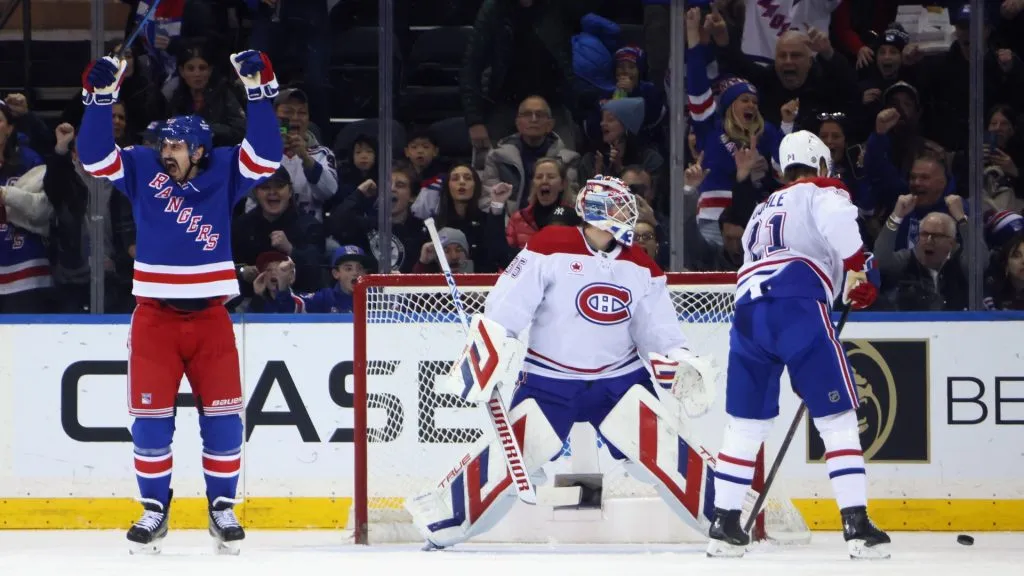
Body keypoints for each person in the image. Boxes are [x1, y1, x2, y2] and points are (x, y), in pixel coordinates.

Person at [406, 175, 719, 549]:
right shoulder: (550, 245)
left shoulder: (641, 264)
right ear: (598, 212)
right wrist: (485, 352)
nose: (628, 213)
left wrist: (679, 360)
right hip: (549, 381)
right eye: (620, 205)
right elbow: (507, 307)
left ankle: (725, 515)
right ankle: (446, 518)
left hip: (618, 381)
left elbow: (660, 332)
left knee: (661, 453)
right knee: (515, 459)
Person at [77, 49, 283, 555]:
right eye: (163, 143)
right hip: (154, 320)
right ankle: (153, 509)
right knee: (149, 424)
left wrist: (259, 91)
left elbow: (268, 154)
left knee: (224, 418)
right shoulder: (144, 167)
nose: (166, 151)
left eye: (176, 144)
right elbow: (94, 156)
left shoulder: (226, 171)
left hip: (212, 318)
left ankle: (221, 507)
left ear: (199, 149)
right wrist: (98, 100)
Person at [707, 131, 888, 559]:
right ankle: (856, 524)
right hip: (796, 306)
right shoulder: (824, 191)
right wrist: (859, 266)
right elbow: (840, 232)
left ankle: (725, 522)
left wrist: (849, 285)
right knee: (837, 416)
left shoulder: (760, 209)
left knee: (746, 423)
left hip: (748, 313)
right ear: (823, 165)